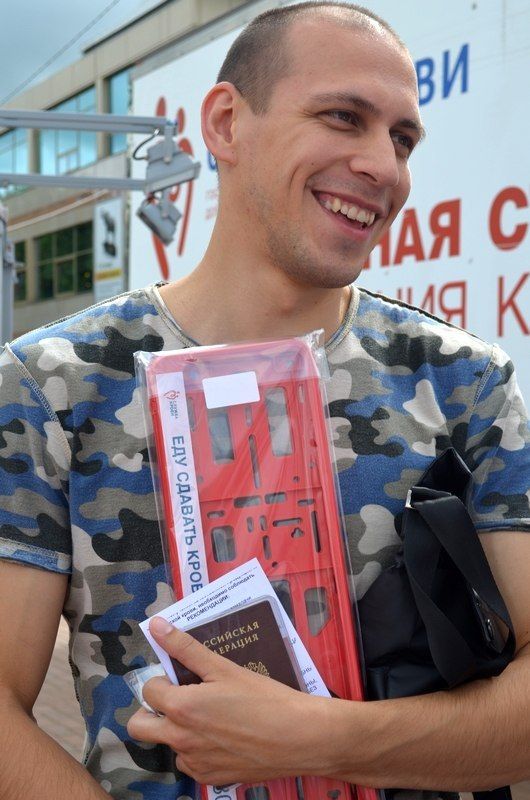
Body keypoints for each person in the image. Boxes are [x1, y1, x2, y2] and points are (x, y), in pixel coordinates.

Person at [0, 3, 529, 799]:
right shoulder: (53, 383)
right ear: (224, 123)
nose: (383, 166)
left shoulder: (466, 382)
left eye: (402, 139)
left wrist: (324, 740)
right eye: (343, 117)